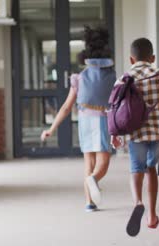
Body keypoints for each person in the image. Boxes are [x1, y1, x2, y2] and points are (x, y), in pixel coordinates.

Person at [112, 38, 159, 236]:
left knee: (136, 168)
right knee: (150, 168)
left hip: (136, 131)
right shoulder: (158, 71)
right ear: (152, 57)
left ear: (131, 58)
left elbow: (113, 105)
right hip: (158, 131)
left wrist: (114, 133)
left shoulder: (126, 76)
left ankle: (138, 202)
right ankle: (152, 215)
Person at [41, 26, 116, 212]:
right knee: (103, 162)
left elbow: (67, 107)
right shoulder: (113, 77)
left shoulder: (79, 78)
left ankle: (89, 202)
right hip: (103, 118)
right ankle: (94, 180)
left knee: (88, 162)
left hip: (84, 119)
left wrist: (52, 127)